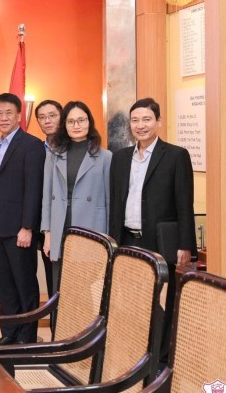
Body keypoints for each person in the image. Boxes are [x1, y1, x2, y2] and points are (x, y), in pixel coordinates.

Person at [109, 97, 194, 363]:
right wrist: (112, 241)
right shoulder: (120, 158)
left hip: (159, 241)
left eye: (146, 119)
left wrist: (185, 245)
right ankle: (135, 355)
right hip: (127, 240)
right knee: (131, 300)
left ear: (158, 121)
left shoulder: (176, 156)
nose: (141, 125)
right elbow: (115, 202)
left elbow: (184, 204)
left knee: (162, 303)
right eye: (135, 120)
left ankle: (161, 359)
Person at [0, 93, 45, 346]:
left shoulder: (31, 145)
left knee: (25, 285)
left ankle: (27, 338)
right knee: (5, 286)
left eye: (8, 113)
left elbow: (34, 189)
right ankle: (8, 334)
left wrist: (27, 227)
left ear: (19, 115)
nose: (3, 118)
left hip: (20, 229)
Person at [41, 101, 111, 293]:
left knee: (85, 289)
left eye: (81, 120)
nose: (76, 125)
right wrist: (47, 233)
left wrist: (108, 238)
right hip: (61, 226)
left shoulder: (105, 157)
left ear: (89, 122)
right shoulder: (54, 155)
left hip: (91, 227)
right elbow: (47, 196)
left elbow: (109, 201)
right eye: (71, 121)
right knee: (60, 289)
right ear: (64, 124)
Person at [34, 100, 62, 298]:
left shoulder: (73, 148)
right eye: (42, 117)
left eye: (52, 116)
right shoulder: (36, 148)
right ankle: (54, 317)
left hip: (67, 223)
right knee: (52, 277)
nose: (47, 121)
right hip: (43, 225)